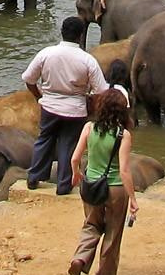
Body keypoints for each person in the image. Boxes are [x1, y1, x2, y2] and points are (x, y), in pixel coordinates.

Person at [23, 17, 106, 194]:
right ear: (80, 35)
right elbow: (101, 90)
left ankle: (34, 177)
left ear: (62, 32)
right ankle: (63, 185)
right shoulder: (87, 60)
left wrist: (40, 96)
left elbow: (28, 79)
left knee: (44, 139)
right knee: (68, 145)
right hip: (75, 109)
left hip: (49, 105)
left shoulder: (46, 53)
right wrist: (90, 104)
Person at [68, 87, 138, 275]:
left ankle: (80, 258)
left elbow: (75, 158)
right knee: (113, 232)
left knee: (91, 224)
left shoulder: (89, 128)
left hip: (91, 184)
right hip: (115, 188)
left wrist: (76, 174)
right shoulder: (123, 135)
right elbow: (124, 170)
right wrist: (133, 199)